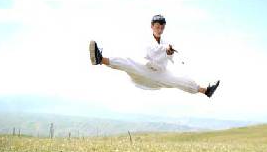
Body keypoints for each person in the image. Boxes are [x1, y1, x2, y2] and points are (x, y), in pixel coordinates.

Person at [89, 14, 220, 97]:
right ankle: (99, 59)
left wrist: (168, 52)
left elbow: (168, 56)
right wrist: (165, 49)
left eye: (162, 27)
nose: (160, 29)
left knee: (182, 80)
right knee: (128, 62)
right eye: (157, 27)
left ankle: (206, 91)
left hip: (160, 74)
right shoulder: (146, 40)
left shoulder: (166, 43)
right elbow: (151, 51)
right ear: (152, 26)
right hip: (145, 70)